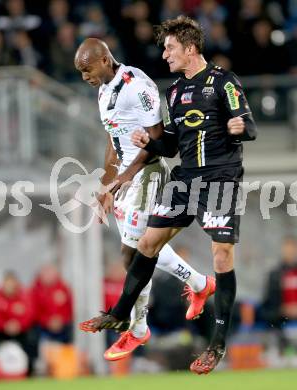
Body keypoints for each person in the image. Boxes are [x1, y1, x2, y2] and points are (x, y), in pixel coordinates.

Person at [82, 16, 257, 374]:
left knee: (222, 254)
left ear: (190, 48)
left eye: (170, 48)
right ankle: (120, 315)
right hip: (185, 178)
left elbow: (248, 126)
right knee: (146, 244)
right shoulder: (175, 91)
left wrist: (238, 127)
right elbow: (172, 143)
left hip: (221, 178)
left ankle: (217, 345)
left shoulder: (223, 81)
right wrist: (151, 142)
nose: (164, 55)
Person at [74, 37, 216, 361]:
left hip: (148, 173)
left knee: (132, 255)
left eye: (87, 69)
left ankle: (138, 330)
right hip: (126, 179)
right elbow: (113, 139)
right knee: (144, 249)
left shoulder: (137, 87)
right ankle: (199, 283)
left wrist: (124, 178)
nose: (84, 76)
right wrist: (107, 184)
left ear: (105, 60)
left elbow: (158, 142)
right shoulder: (103, 90)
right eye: (80, 72)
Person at [31, 263, 73, 343]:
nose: (48, 276)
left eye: (50, 273)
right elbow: (34, 311)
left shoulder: (64, 288)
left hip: (63, 326)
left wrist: (61, 320)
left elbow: (69, 308)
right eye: (46, 273)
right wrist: (47, 321)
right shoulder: (34, 290)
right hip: (43, 327)